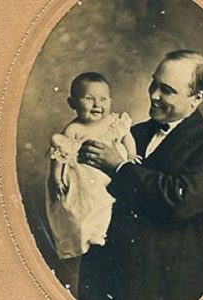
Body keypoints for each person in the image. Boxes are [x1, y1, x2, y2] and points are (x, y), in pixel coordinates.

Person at [78, 50, 203, 300]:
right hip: (106, 276)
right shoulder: (132, 133)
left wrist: (119, 168)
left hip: (163, 284)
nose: (153, 94)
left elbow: (179, 201)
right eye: (154, 82)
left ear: (197, 98)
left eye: (167, 90)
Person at [46, 72, 137, 261]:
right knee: (85, 206)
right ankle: (88, 235)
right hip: (84, 177)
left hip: (109, 173)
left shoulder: (113, 122)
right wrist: (55, 176)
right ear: (73, 103)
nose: (97, 105)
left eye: (103, 99)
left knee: (107, 203)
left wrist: (131, 155)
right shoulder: (74, 129)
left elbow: (127, 136)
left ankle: (101, 232)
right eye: (89, 99)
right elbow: (60, 155)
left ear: (110, 101)